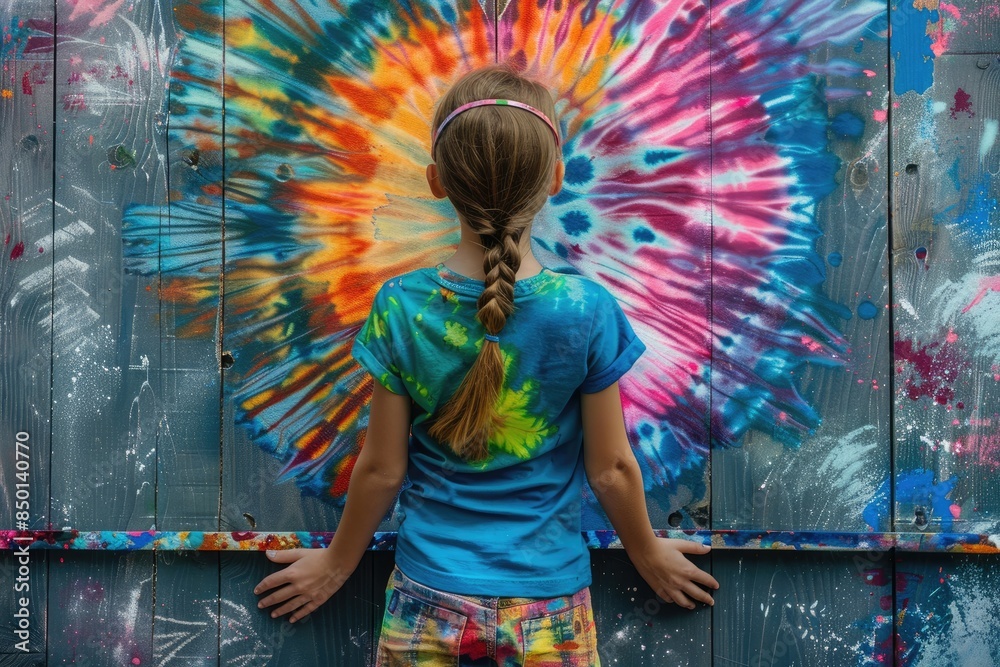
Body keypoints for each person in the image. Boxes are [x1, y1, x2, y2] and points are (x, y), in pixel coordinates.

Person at [253, 64, 719, 665]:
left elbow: (382, 470)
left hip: (428, 595)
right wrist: (648, 553)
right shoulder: (586, 309)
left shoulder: (400, 306)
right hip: (550, 603)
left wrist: (336, 565)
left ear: (436, 181)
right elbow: (610, 469)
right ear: (556, 178)